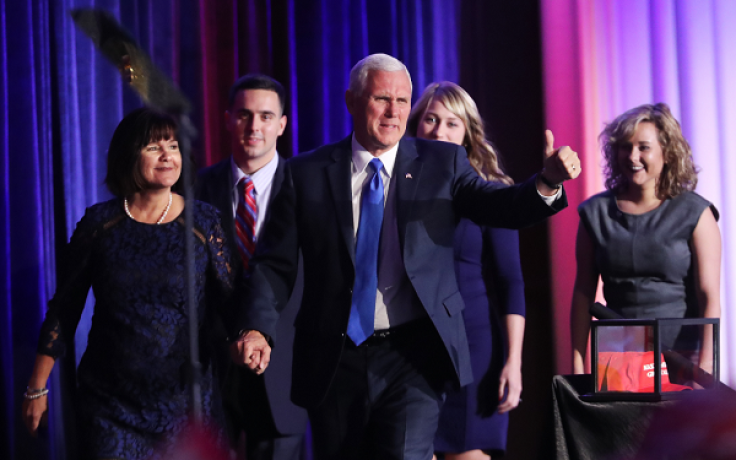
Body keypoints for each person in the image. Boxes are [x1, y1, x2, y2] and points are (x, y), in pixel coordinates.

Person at [230, 53, 580, 459]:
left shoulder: (443, 162)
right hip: (333, 357)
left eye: (402, 101)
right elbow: (274, 264)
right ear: (352, 101)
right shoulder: (307, 173)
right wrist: (256, 327)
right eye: (382, 98)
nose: (394, 112)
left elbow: (497, 205)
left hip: (414, 356)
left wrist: (547, 182)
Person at [22, 108, 234, 459]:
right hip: (110, 405)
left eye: (174, 145)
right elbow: (64, 307)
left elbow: (232, 301)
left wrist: (252, 336)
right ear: (129, 155)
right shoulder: (99, 224)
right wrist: (36, 387)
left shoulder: (205, 222)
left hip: (186, 405)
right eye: (154, 146)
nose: (168, 155)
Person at [407, 81, 524, 460]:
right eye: (431, 119)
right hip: (407, 346)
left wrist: (514, 361)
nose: (439, 131)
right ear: (416, 125)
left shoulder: (492, 192)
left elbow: (511, 283)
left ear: (468, 134)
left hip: (472, 348)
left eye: (452, 123)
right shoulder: (392, 187)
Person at [195, 74, 308, 460]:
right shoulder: (193, 189)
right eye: (244, 115)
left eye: (265, 116)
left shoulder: (309, 189)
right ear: (227, 119)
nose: (254, 126)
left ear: (282, 124)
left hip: (285, 369)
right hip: (211, 370)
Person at [571, 103, 721, 375]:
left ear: (667, 152)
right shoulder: (595, 213)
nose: (632, 156)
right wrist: (578, 362)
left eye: (643, 147)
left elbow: (708, 295)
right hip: (618, 360)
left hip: (680, 358)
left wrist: (707, 365)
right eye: (625, 147)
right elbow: (583, 293)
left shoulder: (696, 212)